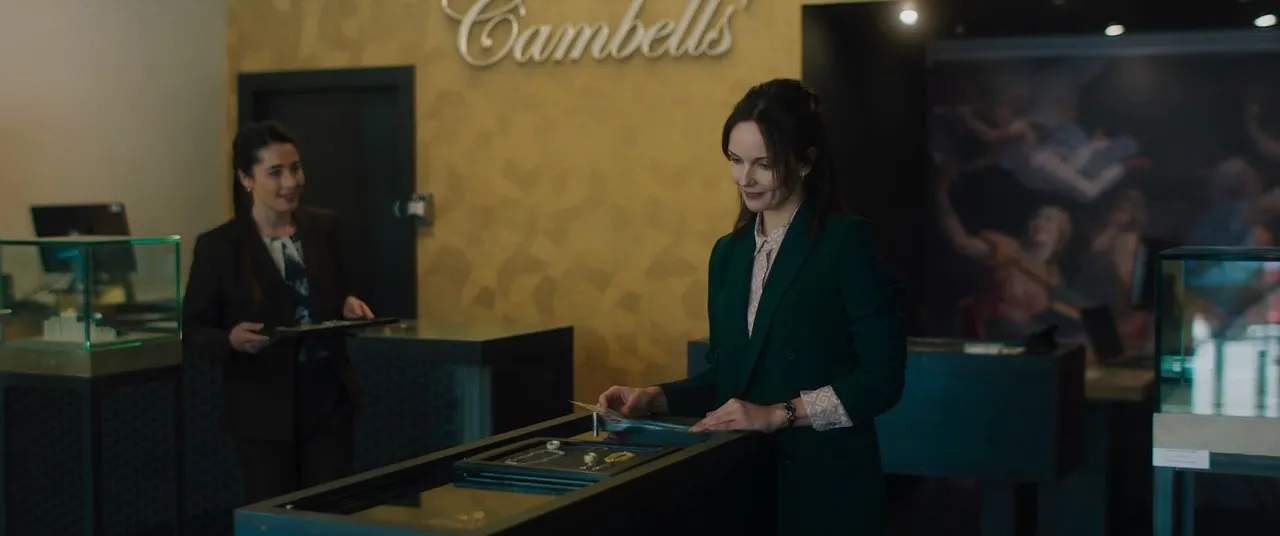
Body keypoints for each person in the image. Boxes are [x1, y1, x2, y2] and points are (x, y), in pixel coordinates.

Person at [596, 79, 908, 535]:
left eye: (764, 164)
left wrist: (778, 413)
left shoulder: (845, 242)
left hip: (826, 486)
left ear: (805, 162)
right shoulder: (728, 253)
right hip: (742, 480)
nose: (745, 178)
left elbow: (882, 380)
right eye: (736, 160)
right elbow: (730, 377)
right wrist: (656, 397)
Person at [182, 121, 375, 504]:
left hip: (328, 400)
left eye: (295, 168)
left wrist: (350, 306)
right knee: (275, 514)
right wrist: (230, 340)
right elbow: (193, 330)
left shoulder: (324, 228)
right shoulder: (219, 246)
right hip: (261, 408)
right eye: (275, 172)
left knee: (331, 512)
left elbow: (343, 292)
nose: (291, 182)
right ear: (246, 178)